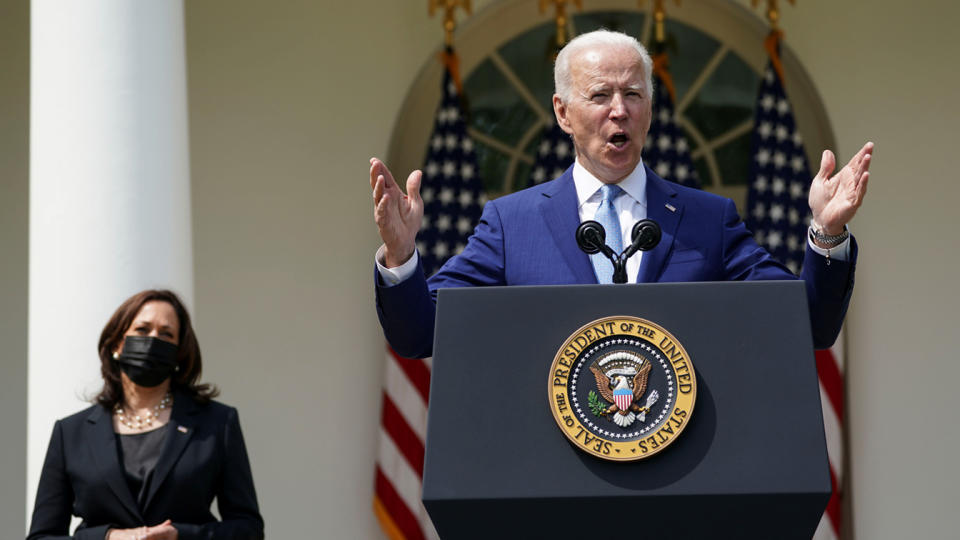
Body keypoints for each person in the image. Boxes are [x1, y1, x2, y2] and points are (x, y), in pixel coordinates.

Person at [370, 30, 871, 359]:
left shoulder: (706, 220)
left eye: (634, 95)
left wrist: (827, 234)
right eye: (600, 95)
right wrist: (401, 253)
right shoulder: (510, 224)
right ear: (563, 113)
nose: (619, 111)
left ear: (650, 110)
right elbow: (419, 334)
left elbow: (806, 324)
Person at [28, 290, 264, 540]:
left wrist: (180, 536)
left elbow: (248, 529)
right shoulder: (71, 433)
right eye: (142, 330)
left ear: (179, 352)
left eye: (166, 334)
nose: (153, 340)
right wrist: (110, 538)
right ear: (117, 343)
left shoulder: (217, 423)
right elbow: (42, 536)